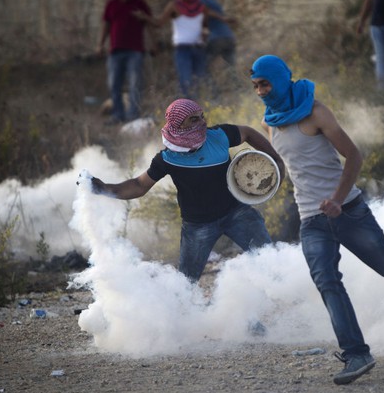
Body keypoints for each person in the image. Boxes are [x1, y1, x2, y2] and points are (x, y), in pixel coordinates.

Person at [249, 54, 384, 385]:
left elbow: (353, 155)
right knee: (326, 280)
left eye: (264, 83)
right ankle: (357, 354)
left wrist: (337, 200)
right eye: (255, 86)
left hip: (348, 209)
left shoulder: (315, 113)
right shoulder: (270, 119)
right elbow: (292, 166)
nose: (260, 91)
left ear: (279, 80)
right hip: (311, 218)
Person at [87, 98, 285, 282]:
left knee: (270, 259)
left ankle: (287, 299)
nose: (202, 122)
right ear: (178, 124)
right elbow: (139, 185)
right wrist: (104, 188)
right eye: (193, 119)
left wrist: (274, 158)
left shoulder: (219, 136)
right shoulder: (167, 158)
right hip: (198, 225)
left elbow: (248, 133)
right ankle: (183, 318)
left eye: (202, 116)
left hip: (236, 213)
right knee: (186, 282)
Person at [134, 0, 233, 99]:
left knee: (201, 79)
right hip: (183, 50)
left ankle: (206, 106)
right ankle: (189, 109)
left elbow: (205, 25)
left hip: (198, 48)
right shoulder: (174, 5)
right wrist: (145, 17)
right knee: (186, 80)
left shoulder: (201, 6)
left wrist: (205, 32)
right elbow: (159, 23)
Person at [98, 0, 156, 126]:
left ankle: (133, 115)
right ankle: (118, 114)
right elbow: (106, 25)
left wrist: (154, 43)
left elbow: (149, 23)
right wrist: (100, 44)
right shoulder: (111, 3)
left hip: (135, 50)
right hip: (115, 50)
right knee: (113, 84)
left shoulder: (139, 3)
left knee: (135, 83)